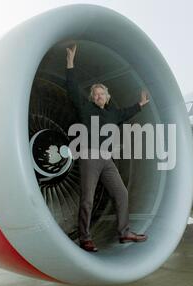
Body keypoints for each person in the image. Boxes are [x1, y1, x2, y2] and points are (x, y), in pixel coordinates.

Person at [66, 44, 149, 252]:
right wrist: (70, 63)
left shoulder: (113, 114)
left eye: (101, 93)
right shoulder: (86, 109)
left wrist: (140, 104)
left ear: (107, 96)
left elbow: (127, 112)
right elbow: (72, 89)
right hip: (90, 157)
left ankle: (124, 233)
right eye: (95, 94)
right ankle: (85, 238)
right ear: (92, 97)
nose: (98, 96)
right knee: (87, 199)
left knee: (121, 193)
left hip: (107, 159)